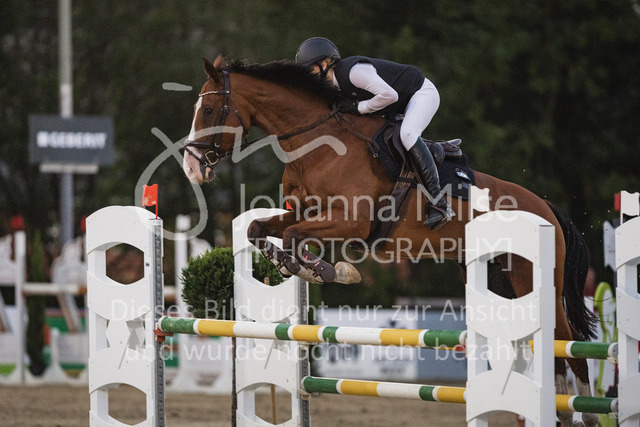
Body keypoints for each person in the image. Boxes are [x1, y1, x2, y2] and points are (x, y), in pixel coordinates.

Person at [295, 37, 455, 230]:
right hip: (395, 107)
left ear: (324, 64)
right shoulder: (333, 88)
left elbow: (390, 95)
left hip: (420, 93)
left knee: (408, 134)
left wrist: (358, 107)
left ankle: (439, 203)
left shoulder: (353, 72)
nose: (307, 76)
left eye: (309, 69)